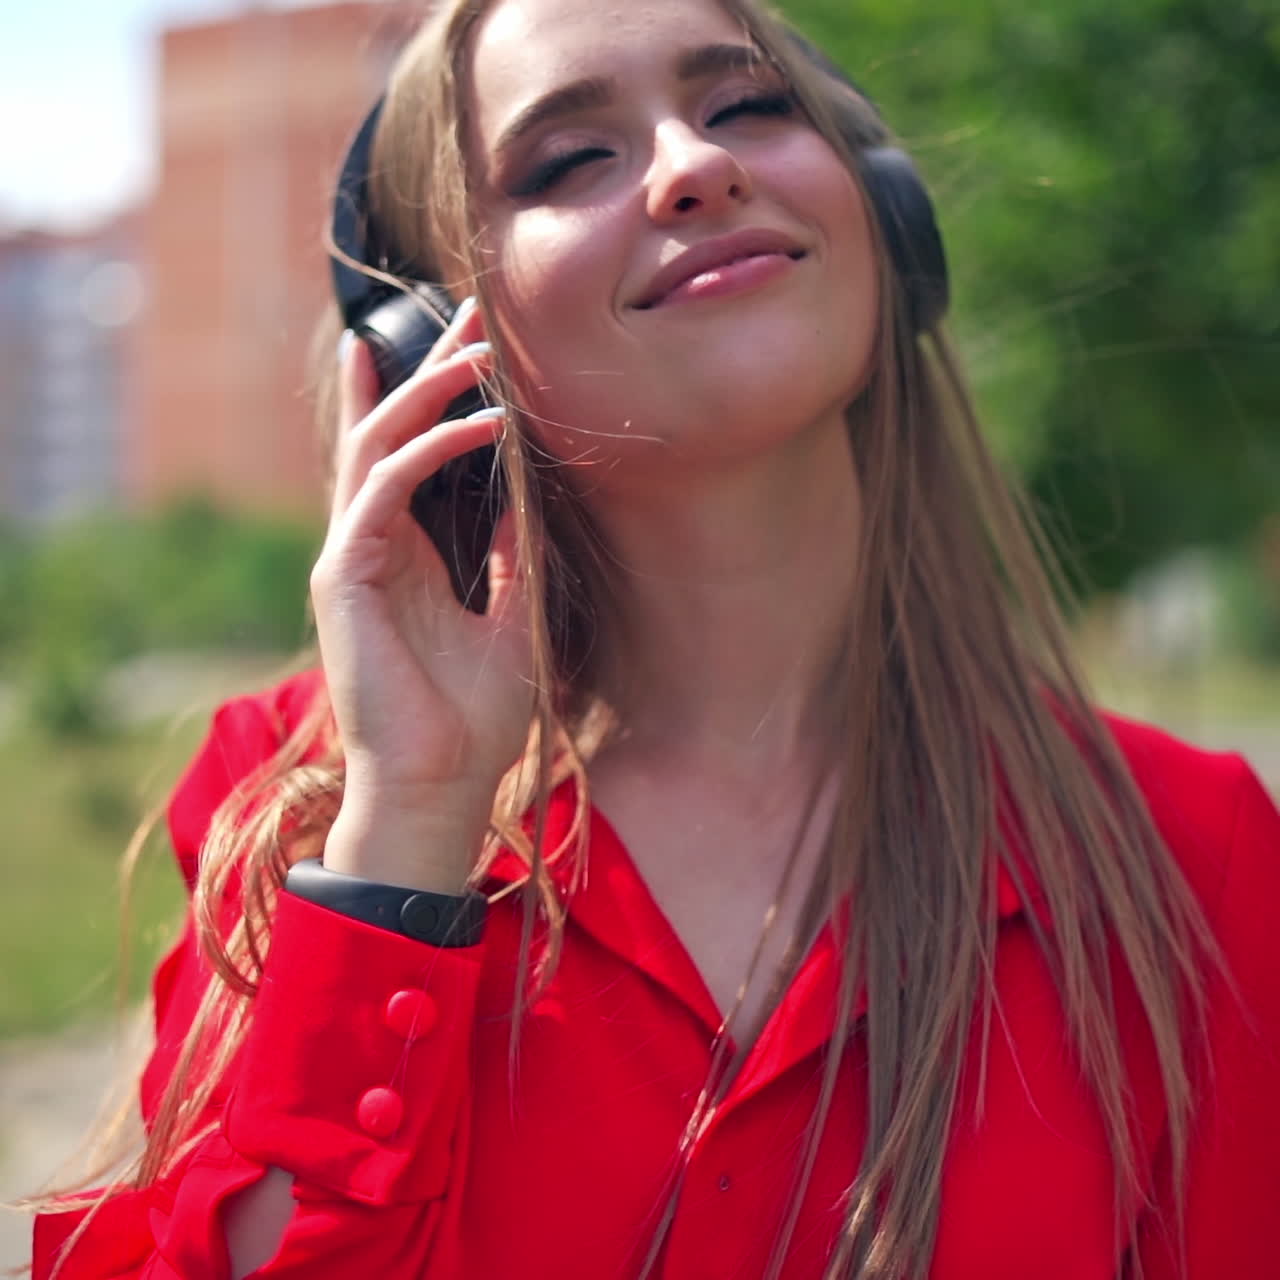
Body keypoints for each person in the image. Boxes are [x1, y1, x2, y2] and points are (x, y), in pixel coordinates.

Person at [30, 0, 1280, 1276]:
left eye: (747, 105)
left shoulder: (1194, 855)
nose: (696, 165)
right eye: (571, 159)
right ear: (424, 347)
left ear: (888, 221)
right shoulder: (306, 810)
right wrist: (407, 832)